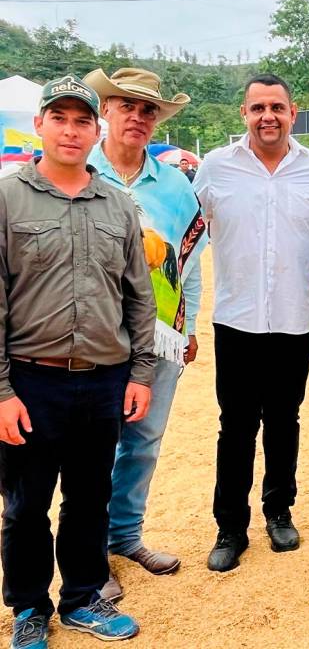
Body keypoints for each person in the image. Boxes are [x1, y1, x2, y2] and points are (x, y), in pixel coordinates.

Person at [0, 75, 155, 647]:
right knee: (25, 505)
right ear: (39, 124)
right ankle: (29, 607)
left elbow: (138, 295)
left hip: (103, 379)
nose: (70, 130)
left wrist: (140, 373)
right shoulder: (6, 197)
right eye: (59, 118)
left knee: (90, 497)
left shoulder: (116, 203)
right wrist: (0, 392)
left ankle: (84, 596)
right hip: (29, 380)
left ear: (97, 130)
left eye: (82, 120)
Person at [193, 74, 309, 572]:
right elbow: (190, 236)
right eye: (258, 107)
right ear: (244, 114)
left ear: (293, 113)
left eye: (276, 107)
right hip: (236, 318)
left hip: (297, 319)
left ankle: (279, 511)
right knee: (234, 426)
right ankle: (230, 527)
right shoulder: (215, 168)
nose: (268, 117)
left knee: (284, 420)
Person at [82, 67, 207, 600]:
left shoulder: (177, 185)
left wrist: (190, 325)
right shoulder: (74, 168)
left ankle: (126, 536)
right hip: (85, 334)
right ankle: (87, 556)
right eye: (126, 106)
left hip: (158, 333)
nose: (137, 117)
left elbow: (190, 261)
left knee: (144, 441)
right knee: (92, 447)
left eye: (148, 109)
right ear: (105, 110)